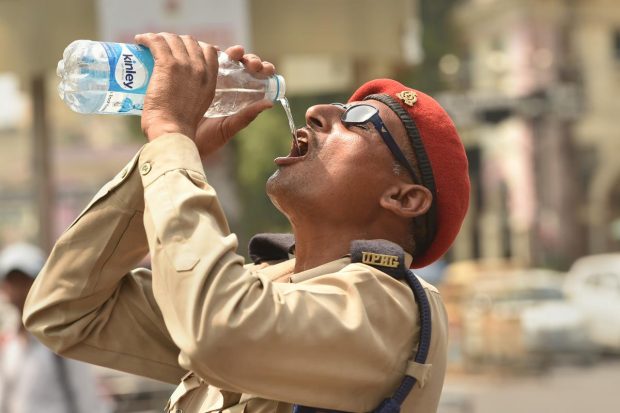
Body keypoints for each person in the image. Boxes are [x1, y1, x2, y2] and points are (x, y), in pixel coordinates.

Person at [23, 33, 470, 413]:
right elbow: (66, 312)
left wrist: (171, 141)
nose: (317, 113)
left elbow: (217, 331)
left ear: (403, 198)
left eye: (359, 120)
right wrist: (175, 154)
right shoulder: (268, 289)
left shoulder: (390, 310)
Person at [0, 243, 113, 413]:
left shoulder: (61, 337)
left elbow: (88, 400)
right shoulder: (9, 341)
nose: (18, 289)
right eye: (12, 282)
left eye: (23, 281)